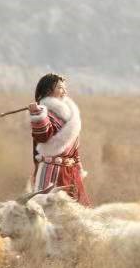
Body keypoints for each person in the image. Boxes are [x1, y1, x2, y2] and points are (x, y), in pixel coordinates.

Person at [27, 73, 92, 206]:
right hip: (51, 173)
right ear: (48, 90)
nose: (65, 91)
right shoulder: (44, 113)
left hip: (71, 172)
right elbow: (42, 137)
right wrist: (38, 116)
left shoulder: (71, 114)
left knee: (74, 215)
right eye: (60, 88)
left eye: (64, 88)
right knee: (49, 212)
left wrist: (78, 167)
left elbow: (74, 148)